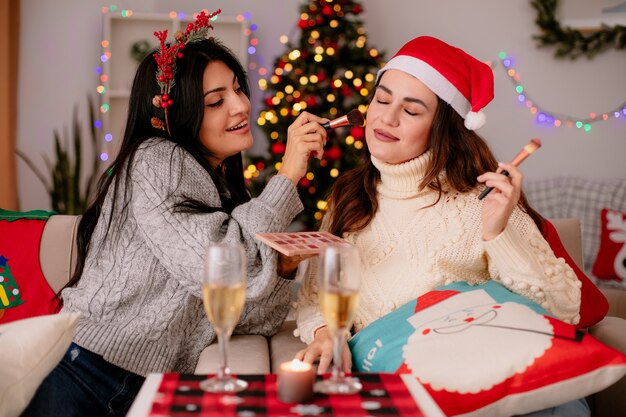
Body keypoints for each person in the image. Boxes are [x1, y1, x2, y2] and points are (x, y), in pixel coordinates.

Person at [23, 10, 328, 417]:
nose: (240, 106)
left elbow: (247, 316)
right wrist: (288, 175)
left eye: (238, 90)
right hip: (84, 370)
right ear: (176, 115)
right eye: (216, 101)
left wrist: (284, 269)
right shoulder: (156, 159)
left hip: (145, 384)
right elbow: (221, 266)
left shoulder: (223, 189)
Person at [294, 36, 588, 416]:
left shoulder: (480, 202)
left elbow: (563, 311)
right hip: (404, 393)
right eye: (382, 100)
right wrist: (325, 335)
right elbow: (316, 299)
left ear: (442, 128)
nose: (387, 118)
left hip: (497, 392)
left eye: (411, 111)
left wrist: (499, 233)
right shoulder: (349, 198)